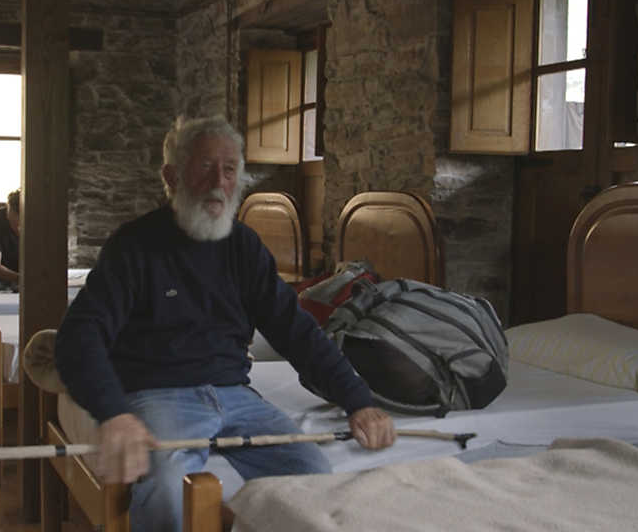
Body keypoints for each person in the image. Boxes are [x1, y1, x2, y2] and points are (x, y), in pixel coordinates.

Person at [55, 116, 395, 532]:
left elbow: (297, 331)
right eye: (205, 167)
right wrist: (114, 412)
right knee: (167, 494)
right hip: (160, 395)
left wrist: (358, 400)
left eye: (230, 169)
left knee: (312, 483)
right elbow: (78, 337)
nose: (219, 182)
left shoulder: (245, 246)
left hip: (236, 395)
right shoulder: (134, 246)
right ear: (172, 177)